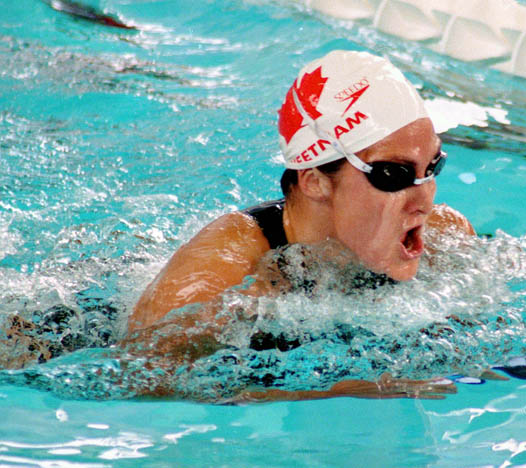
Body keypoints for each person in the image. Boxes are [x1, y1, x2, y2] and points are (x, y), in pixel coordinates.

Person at [124, 50, 476, 400]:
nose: (425, 201)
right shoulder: (222, 269)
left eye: (432, 167)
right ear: (315, 181)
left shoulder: (447, 236)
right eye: (392, 175)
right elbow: (140, 378)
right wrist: (357, 390)